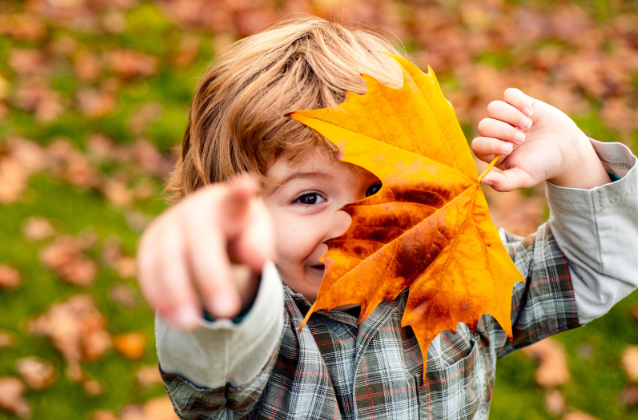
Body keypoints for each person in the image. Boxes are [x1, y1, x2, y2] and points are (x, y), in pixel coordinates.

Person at [136, 16, 638, 419]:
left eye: (379, 189)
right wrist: (220, 278)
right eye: (309, 198)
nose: (353, 222)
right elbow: (214, 350)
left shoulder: (452, 272)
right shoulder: (264, 341)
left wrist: (575, 158)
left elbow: (591, 267)